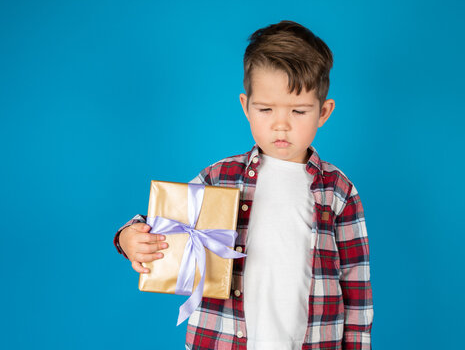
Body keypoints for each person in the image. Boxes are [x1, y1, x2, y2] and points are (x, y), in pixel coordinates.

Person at [113, 20, 373, 350]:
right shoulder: (220, 177)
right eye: (265, 109)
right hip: (224, 339)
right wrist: (129, 236)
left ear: (323, 112)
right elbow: (164, 222)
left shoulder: (338, 190)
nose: (281, 124)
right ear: (245, 107)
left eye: (298, 111)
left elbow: (357, 283)